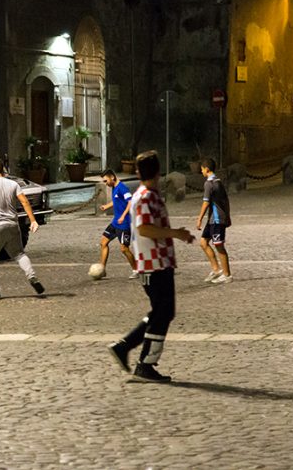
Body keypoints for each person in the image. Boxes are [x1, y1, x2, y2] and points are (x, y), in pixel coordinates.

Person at [108, 150, 195, 382]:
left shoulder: (143, 194)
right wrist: (176, 233)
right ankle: (144, 364)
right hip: (154, 263)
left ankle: (125, 348)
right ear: (158, 171)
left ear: (138, 172)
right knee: (163, 312)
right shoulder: (147, 196)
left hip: (153, 261)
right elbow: (145, 228)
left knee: (160, 312)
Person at [0, 159, 43, 300]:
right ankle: (32, 276)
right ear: (3, 171)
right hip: (13, 224)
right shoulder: (13, 184)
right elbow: (24, 201)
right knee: (19, 254)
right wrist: (33, 220)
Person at [196, 158, 232, 284]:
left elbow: (205, 203)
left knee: (219, 245)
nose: (201, 172)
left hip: (217, 219)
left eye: (202, 169)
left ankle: (227, 275)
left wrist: (199, 219)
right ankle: (216, 270)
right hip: (213, 219)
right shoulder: (218, 181)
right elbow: (225, 200)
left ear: (206, 169)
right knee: (203, 242)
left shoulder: (209, 183)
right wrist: (227, 215)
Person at [97, 169, 137, 279]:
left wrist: (124, 215)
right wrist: (106, 206)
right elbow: (116, 201)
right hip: (115, 222)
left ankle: (136, 269)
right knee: (103, 242)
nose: (106, 184)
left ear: (112, 178)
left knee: (124, 249)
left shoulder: (122, 188)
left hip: (124, 223)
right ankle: (102, 270)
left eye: (106, 181)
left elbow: (130, 201)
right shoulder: (114, 187)